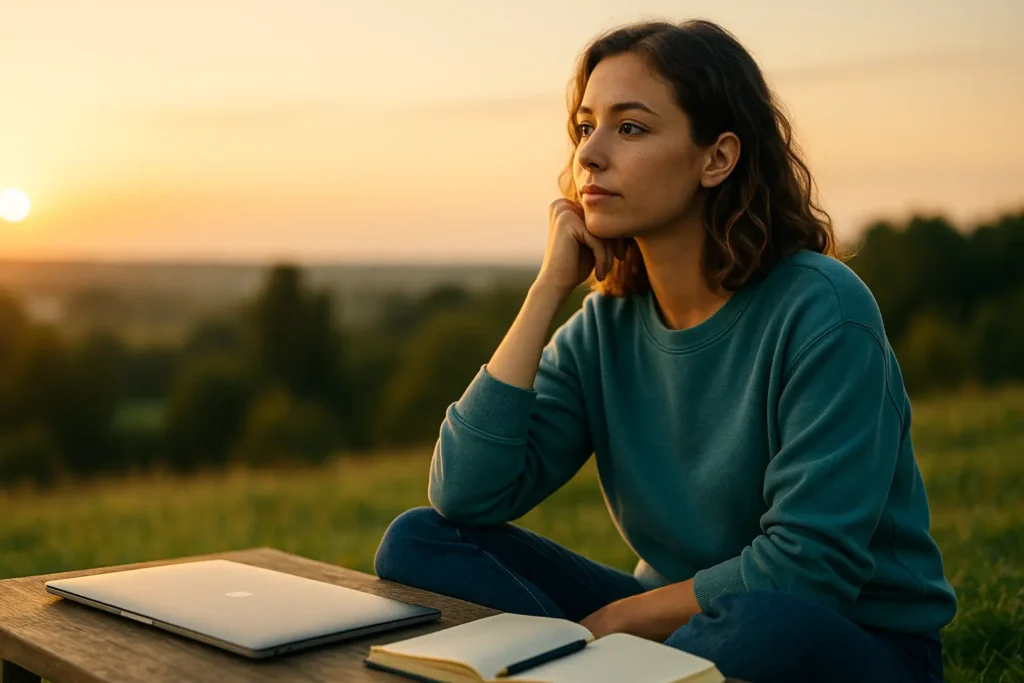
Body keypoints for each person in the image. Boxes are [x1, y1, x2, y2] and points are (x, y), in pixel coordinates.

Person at [373, 19, 956, 683]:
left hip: (847, 638)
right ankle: (596, 673)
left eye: (630, 127)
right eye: (585, 126)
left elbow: (807, 568)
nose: (590, 154)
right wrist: (547, 290)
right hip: (679, 626)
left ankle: (586, 670)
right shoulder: (606, 327)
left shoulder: (824, 310)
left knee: (762, 622)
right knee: (420, 540)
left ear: (718, 158)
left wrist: (618, 621)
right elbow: (465, 495)